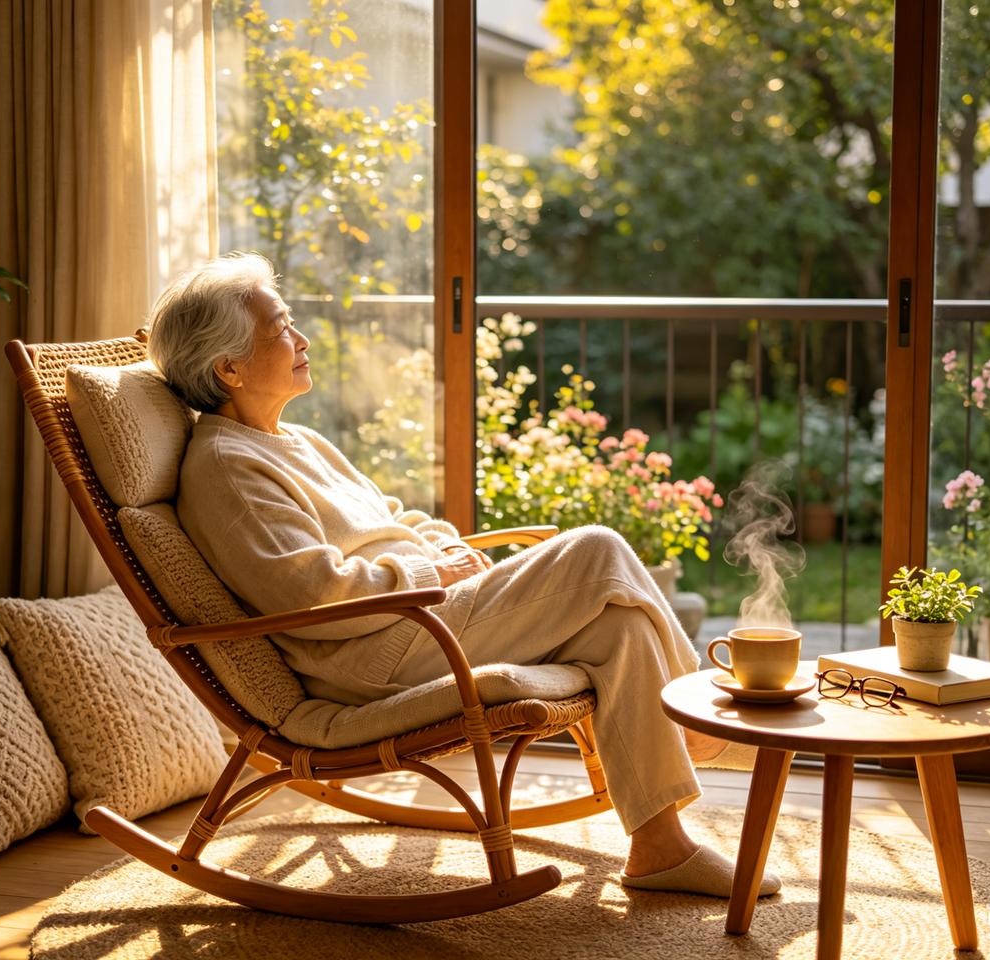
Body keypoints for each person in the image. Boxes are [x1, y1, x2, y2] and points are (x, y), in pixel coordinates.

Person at [146, 252, 777, 899]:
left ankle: (660, 849)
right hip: (369, 651)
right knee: (597, 550)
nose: (301, 339)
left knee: (617, 622)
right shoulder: (226, 467)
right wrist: (429, 569)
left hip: (419, 615)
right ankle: (694, 721)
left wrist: (448, 550)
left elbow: (393, 517)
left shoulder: (293, 440)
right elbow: (314, 594)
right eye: (280, 327)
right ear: (228, 367)